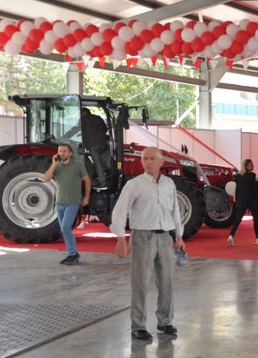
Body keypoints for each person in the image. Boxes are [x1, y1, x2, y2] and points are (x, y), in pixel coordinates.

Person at [111, 147, 185, 341]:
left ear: (161, 162)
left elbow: (175, 210)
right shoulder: (134, 185)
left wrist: (179, 235)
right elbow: (120, 210)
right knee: (141, 283)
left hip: (165, 238)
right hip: (143, 238)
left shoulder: (169, 184)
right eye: (145, 159)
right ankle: (138, 325)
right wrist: (120, 237)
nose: (148, 162)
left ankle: (165, 321)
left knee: (167, 281)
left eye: (153, 158)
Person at [44, 144, 91, 265]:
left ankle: (73, 254)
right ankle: (73, 254)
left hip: (73, 202)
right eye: (60, 151)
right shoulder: (57, 166)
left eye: (64, 151)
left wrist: (86, 196)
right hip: (59, 203)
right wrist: (54, 164)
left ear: (70, 153)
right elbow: (46, 178)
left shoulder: (78, 166)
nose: (62, 153)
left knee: (65, 228)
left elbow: (87, 179)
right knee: (64, 230)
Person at [228, 159, 258, 246]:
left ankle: (231, 236)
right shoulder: (253, 176)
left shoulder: (238, 177)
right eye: (251, 165)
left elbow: (237, 190)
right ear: (247, 166)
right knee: (255, 219)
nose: (253, 166)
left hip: (241, 200)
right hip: (252, 200)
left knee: (238, 219)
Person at [81, 109, 109, 189]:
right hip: (103, 144)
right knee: (100, 161)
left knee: (97, 163)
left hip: (93, 145)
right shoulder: (98, 118)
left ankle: (103, 183)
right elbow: (105, 129)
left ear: (84, 112)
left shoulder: (84, 119)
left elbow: (77, 130)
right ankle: (102, 176)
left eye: (81, 113)